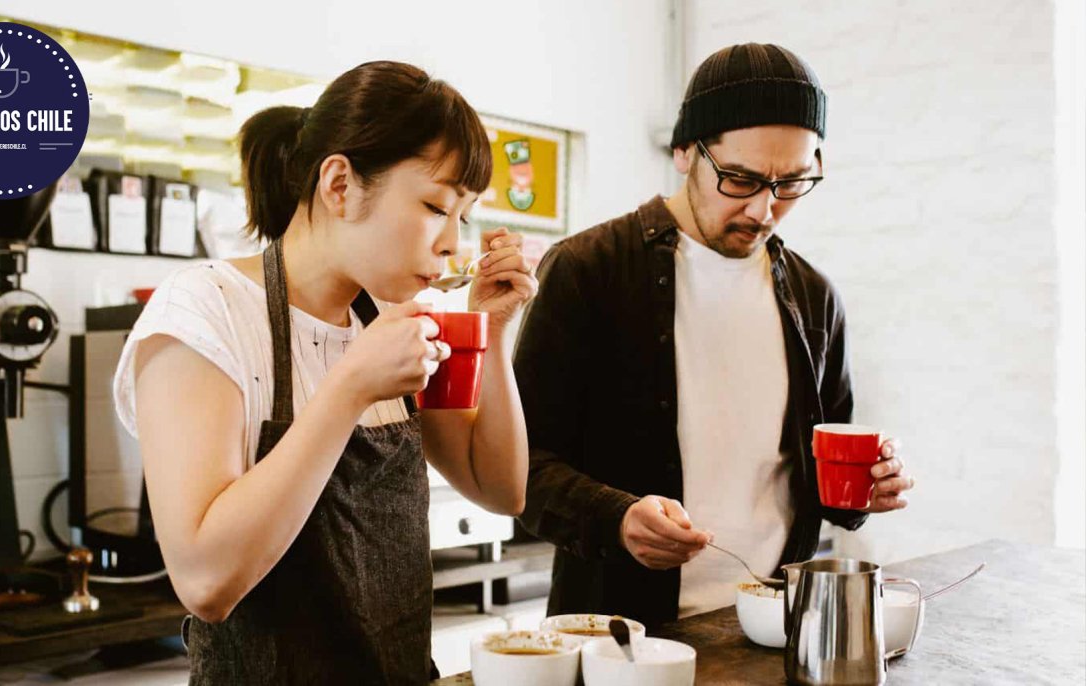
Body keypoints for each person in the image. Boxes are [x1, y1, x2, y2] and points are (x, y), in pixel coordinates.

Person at [113, 61, 537, 684]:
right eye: (434, 206)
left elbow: (498, 488)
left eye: (463, 218)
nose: (452, 243)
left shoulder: (398, 318)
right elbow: (205, 581)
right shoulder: (204, 313)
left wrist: (494, 332)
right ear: (339, 184)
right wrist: (351, 387)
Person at [513, 43, 915, 626]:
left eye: (792, 184)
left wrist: (866, 491)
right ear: (683, 151)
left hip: (777, 626)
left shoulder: (814, 296)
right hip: (621, 637)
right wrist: (615, 518)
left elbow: (826, 472)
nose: (763, 210)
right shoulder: (588, 270)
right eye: (740, 179)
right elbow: (520, 465)